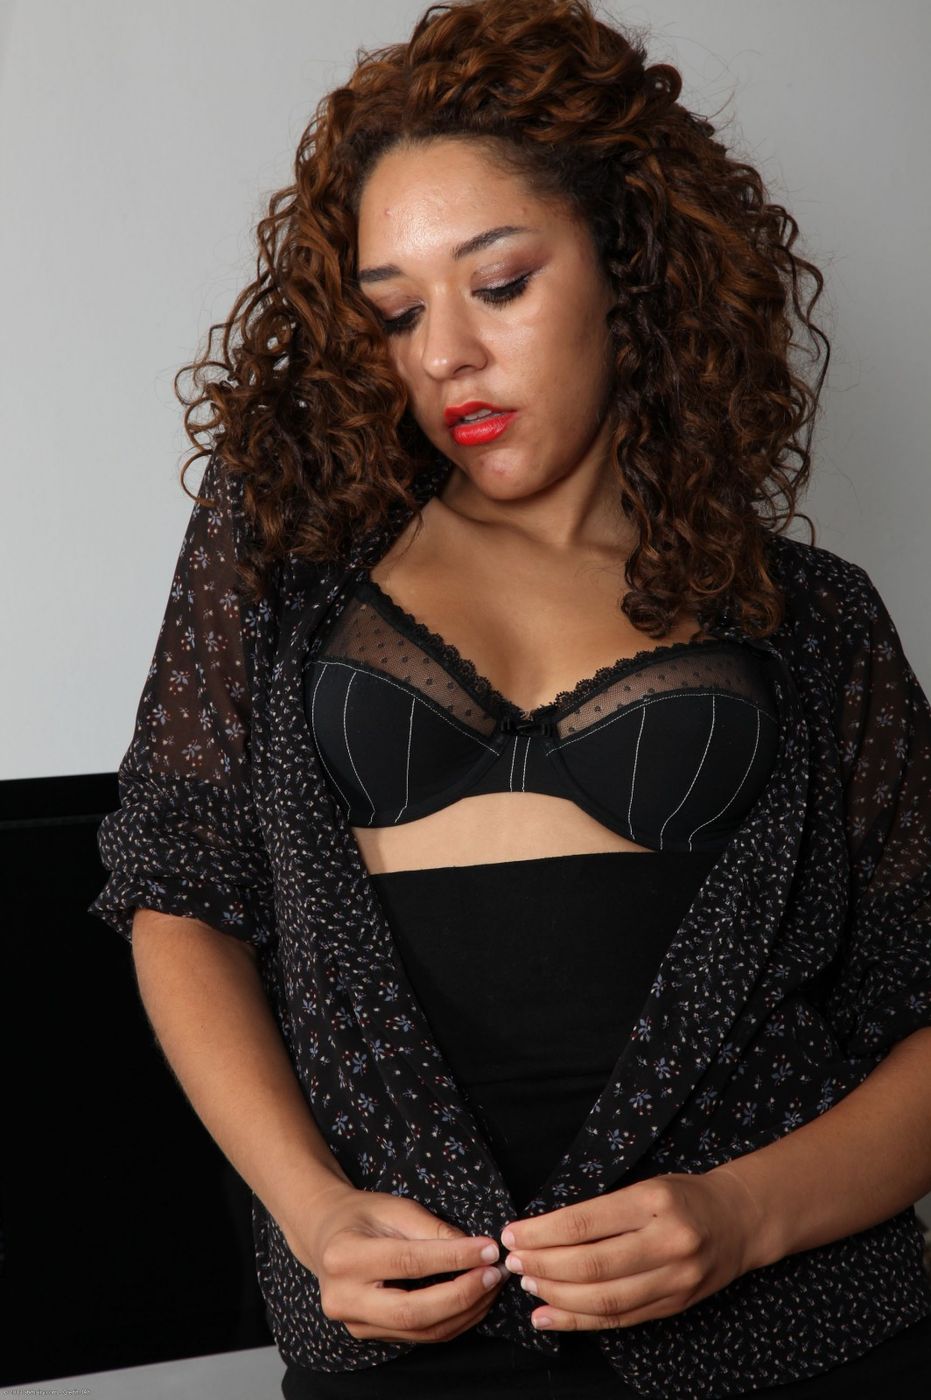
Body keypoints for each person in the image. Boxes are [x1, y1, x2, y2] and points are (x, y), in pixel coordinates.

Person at [89, 1, 931, 1396]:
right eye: (398, 311)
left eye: (499, 284)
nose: (445, 357)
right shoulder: (284, 558)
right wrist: (313, 1213)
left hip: (795, 1335)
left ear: (630, 267)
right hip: (405, 1335)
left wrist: (744, 1217)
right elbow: (181, 896)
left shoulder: (815, 620)